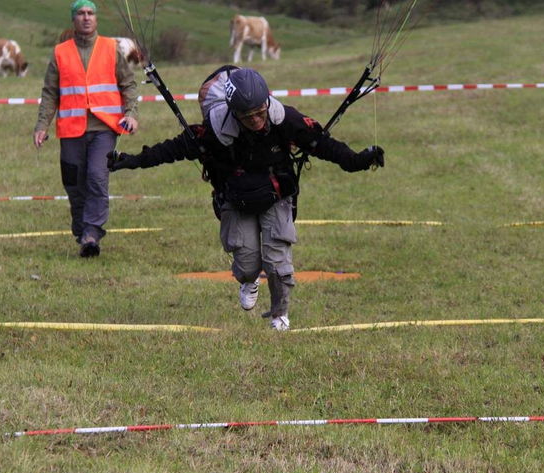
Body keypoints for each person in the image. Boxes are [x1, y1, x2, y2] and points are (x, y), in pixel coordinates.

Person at [108, 67, 384, 330]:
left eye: (260, 112)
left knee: (278, 263)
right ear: (234, 113)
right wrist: (131, 161)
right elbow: (171, 150)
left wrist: (359, 160)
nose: (256, 120)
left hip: (276, 195)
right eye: (247, 116)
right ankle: (248, 280)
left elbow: (323, 144)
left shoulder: (285, 119)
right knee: (248, 264)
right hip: (236, 198)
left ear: (267, 103)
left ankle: (280, 315)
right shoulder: (215, 130)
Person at [33, 0, 139, 258]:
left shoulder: (111, 48)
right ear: (74, 19)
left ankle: (92, 232)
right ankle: (82, 231)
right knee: (74, 183)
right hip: (71, 130)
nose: (86, 17)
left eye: (90, 13)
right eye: (81, 13)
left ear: (96, 18)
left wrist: (131, 114)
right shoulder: (60, 53)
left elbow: (128, 84)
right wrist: (42, 125)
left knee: (96, 177)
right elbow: (50, 92)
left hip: (104, 127)